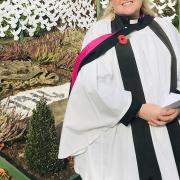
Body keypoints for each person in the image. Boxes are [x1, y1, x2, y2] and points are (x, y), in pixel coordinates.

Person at [58, 0, 180, 179]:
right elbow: (91, 86)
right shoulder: (99, 32)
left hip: (170, 129)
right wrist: (138, 109)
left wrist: (176, 103)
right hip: (122, 140)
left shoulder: (165, 28)